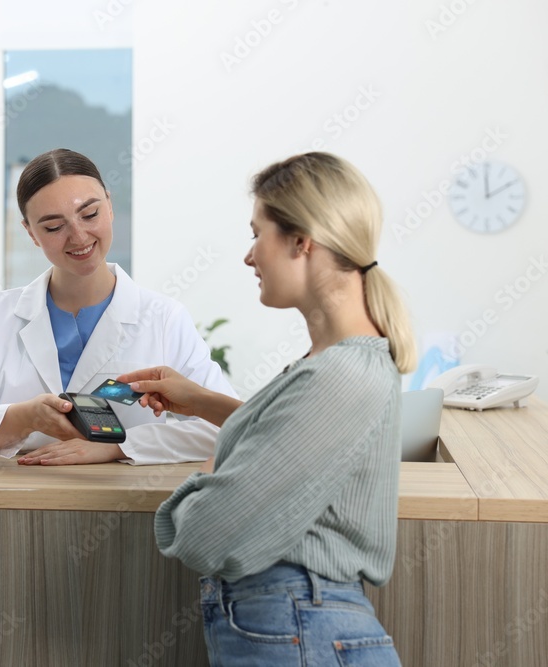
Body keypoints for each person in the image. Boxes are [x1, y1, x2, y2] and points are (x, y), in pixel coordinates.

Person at [119, 152, 414, 665]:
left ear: (303, 241)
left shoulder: (339, 376)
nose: (249, 256)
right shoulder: (336, 364)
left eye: (258, 233)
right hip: (302, 626)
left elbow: (203, 534)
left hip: (301, 629)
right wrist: (204, 403)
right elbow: (290, 441)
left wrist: (212, 470)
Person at [0, 148, 237, 466]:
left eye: (90, 215)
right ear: (31, 233)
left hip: (121, 508)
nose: (78, 236)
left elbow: (227, 427)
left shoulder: (164, 318)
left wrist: (121, 446)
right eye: (52, 227)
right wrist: (24, 417)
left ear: (110, 206)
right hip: (14, 504)